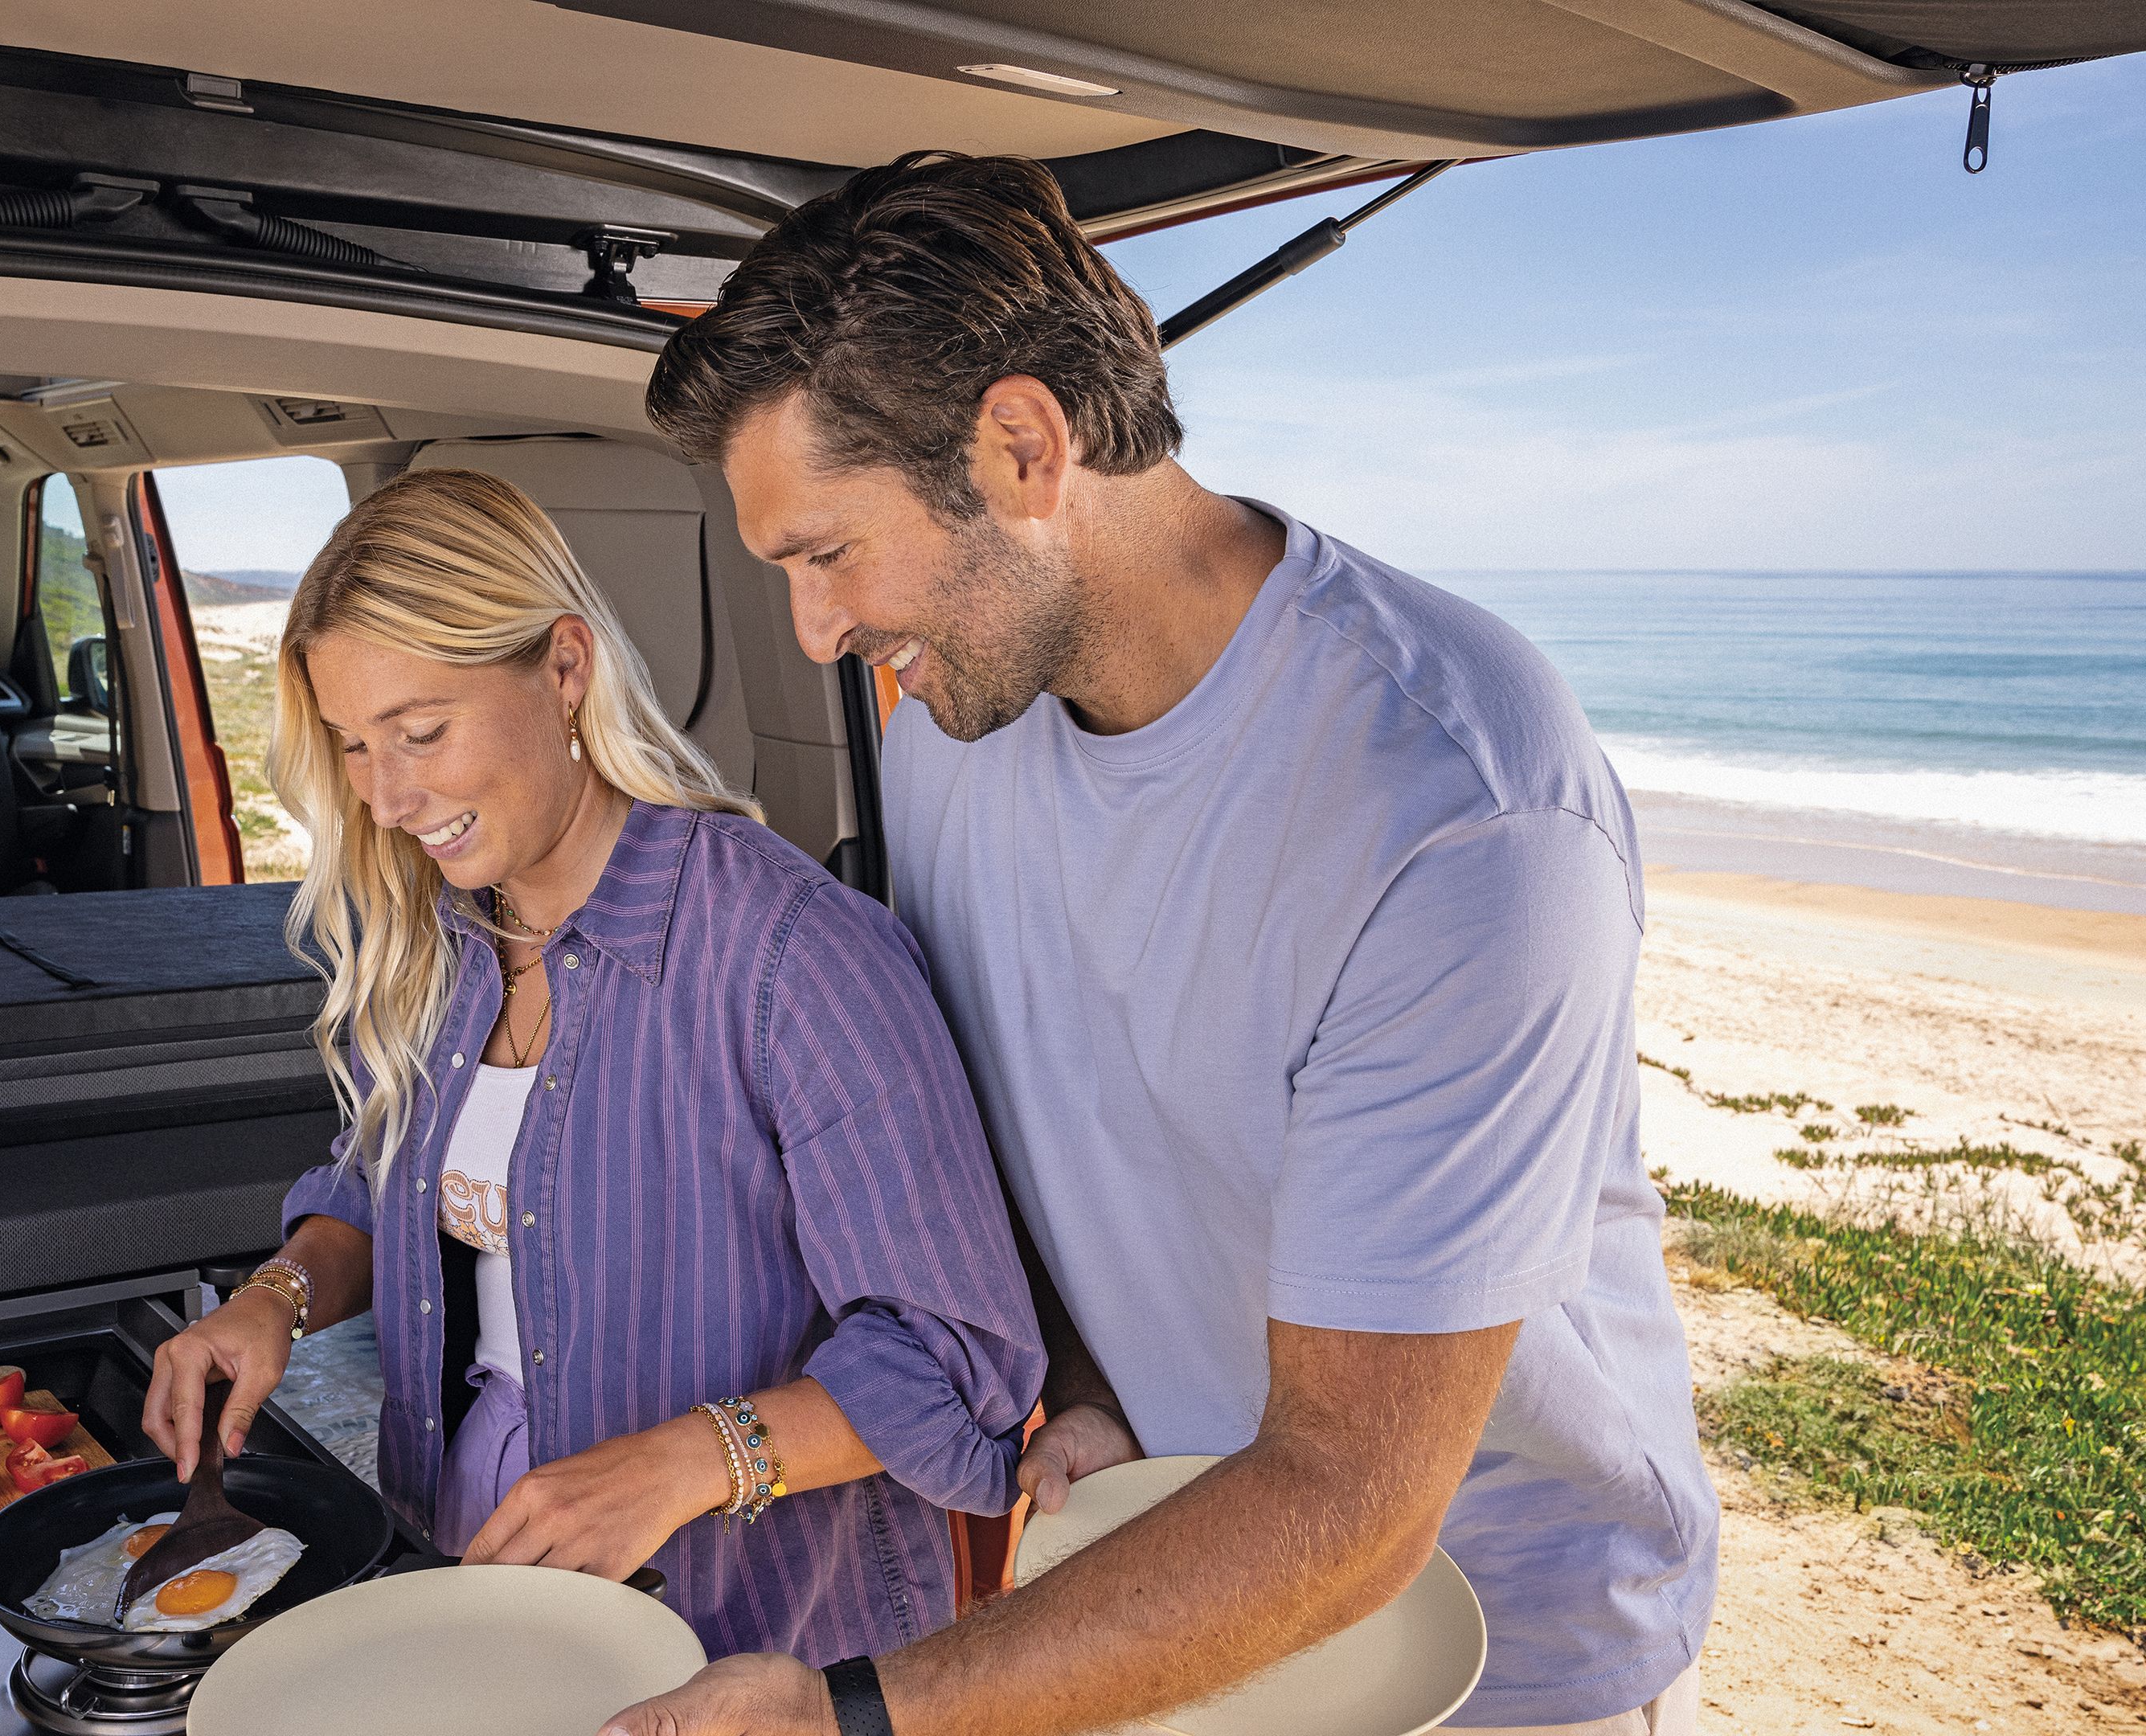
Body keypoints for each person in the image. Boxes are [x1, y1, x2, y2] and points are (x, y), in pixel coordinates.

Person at [612, 154, 1715, 1736]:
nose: (813, 630)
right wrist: (1078, 1377)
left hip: (1489, 1661)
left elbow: (1349, 1497)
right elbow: (1022, 1114)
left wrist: (850, 1715)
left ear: (1022, 447)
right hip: (1172, 1576)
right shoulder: (953, 720)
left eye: (826, 552)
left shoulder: (1453, 812)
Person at [138, 466, 1043, 1664]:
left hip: (749, 1634)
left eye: (421, 733)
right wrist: (277, 1300)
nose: (390, 797)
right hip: (469, 1559)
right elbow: (382, 1186)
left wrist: (685, 1463)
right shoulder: (437, 937)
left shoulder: (791, 957)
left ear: (565, 668)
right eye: (355, 747)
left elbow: (956, 1358)